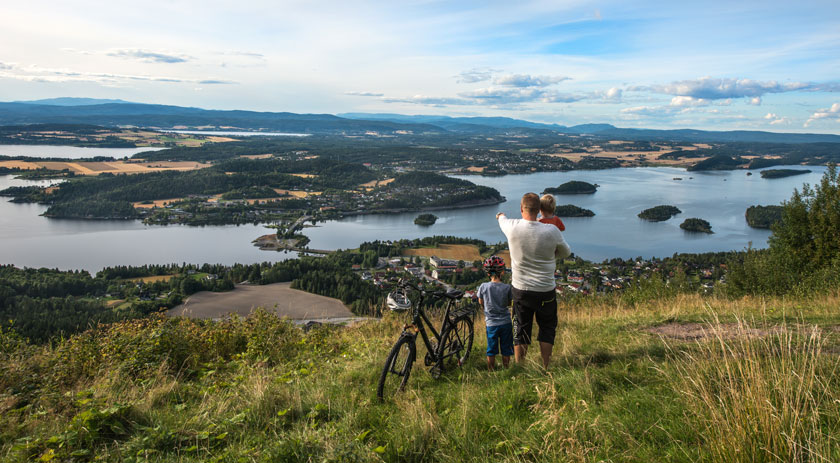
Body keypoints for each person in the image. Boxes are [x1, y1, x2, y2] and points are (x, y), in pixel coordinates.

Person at [496, 193, 571, 368]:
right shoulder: (552, 231)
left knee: (521, 327)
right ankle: (545, 366)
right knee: (547, 327)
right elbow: (566, 252)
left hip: (521, 289)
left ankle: (519, 367)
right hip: (545, 289)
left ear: (522, 209)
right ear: (539, 210)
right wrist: (552, 254)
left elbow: (502, 219)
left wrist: (500, 215)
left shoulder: (513, 227)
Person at [477, 255, 513, 370]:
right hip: (506, 322)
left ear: (488, 273)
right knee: (506, 347)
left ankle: (490, 369)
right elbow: (509, 303)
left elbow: (480, 301)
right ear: (502, 272)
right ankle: (506, 368)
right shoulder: (507, 287)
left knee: (491, 348)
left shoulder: (483, 287)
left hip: (491, 323)